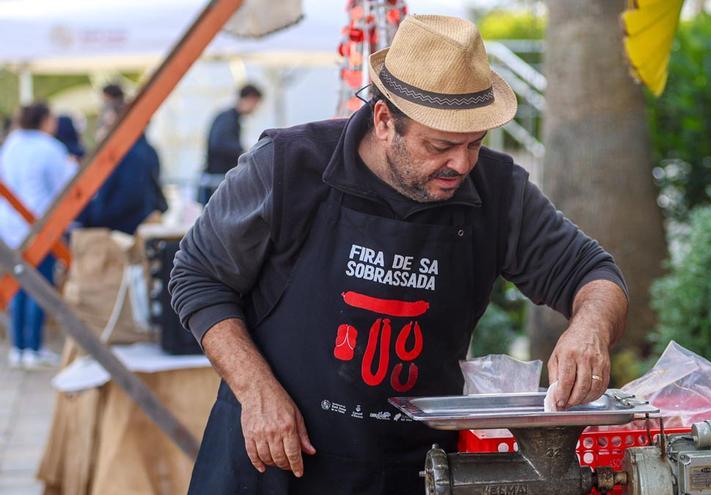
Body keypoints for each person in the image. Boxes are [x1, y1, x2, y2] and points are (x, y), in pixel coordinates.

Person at [170, 15, 628, 494]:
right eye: (441, 145)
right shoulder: (287, 166)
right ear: (385, 120)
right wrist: (255, 390)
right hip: (271, 461)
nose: (462, 164)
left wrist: (590, 327)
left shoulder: (498, 191)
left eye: (475, 144)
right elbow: (197, 276)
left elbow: (594, 272)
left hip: (412, 470)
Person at [0, 102, 75, 369]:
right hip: (40, 226)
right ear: (44, 120)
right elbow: (64, 186)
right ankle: (33, 346)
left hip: (9, 227)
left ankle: (19, 347)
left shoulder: (11, 144)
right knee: (38, 287)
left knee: (18, 286)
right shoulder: (49, 147)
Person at [79, 99, 166, 235]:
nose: (104, 130)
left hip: (123, 232)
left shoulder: (132, 153)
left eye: (108, 125)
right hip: (127, 228)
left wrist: (94, 218)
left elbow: (128, 198)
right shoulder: (140, 149)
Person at [199, 83, 263, 204]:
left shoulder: (230, 118)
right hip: (218, 179)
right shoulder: (228, 119)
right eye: (256, 103)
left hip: (218, 178)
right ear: (250, 99)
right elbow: (218, 144)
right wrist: (244, 151)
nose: (256, 108)